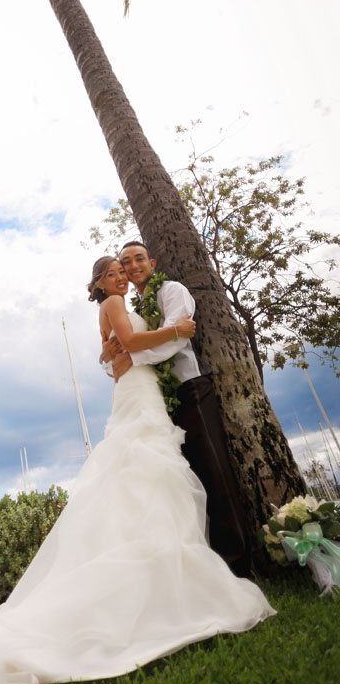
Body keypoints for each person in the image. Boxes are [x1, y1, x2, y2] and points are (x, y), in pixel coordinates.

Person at [0, 256, 274, 684]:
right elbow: (127, 343)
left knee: (148, 472)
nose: (120, 277)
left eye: (123, 271)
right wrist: (174, 332)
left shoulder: (120, 303)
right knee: (144, 467)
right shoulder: (112, 302)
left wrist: (118, 350)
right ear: (101, 282)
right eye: (112, 272)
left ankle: (160, 570)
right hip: (137, 391)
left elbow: (114, 354)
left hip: (142, 387)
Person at [102, 241, 252, 577]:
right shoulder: (132, 308)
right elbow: (119, 352)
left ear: (152, 262)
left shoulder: (172, 290)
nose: (132, 266)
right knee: (185, 478)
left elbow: (178, 337)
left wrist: (133, 356)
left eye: (139, 259)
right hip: (156, 400)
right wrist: (112, 356)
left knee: (213, 473)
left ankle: (237, 562)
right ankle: (200, 560)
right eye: (125, 263)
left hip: (189, 388)